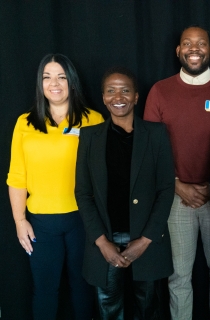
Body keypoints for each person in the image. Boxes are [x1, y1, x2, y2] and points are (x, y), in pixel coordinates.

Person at [144, 26, 210, 320]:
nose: (194, 48)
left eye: (201, 43)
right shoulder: (160, 91)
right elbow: (149, 151)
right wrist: (178, 186)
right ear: (178, 51)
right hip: (176, 198)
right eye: (187, 44)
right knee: (179, 277)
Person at [7, 53, 104, 320]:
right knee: (45, 290)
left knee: (83, 289)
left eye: (62, 76)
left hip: (83, 221)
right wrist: (19, 220)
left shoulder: (94, 120)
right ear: (40, 84)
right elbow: (17, 176)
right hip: (40, 223)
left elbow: (104, 174)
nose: (55, 83)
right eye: (47, 77)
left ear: (72, 82)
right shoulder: (24, 123)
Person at [75, 67, 175, 320]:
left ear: (136, 97)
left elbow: (166, 190)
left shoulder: (156, 134)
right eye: (111, 91)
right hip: (104, 243)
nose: (118, 97)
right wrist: (102, 243)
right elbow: (83, 193)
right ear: (103, 97)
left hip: (146, 242)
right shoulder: (89, 138)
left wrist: (145, 241)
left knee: (147, 309)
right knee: (109, 310)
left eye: (125, 90)